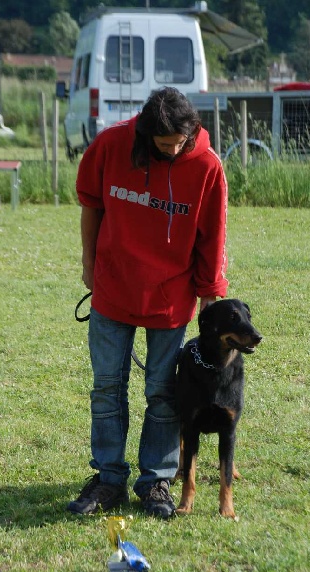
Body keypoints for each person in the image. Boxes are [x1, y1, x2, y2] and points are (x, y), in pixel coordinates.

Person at [67, 87, 228, 519]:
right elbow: (91, 204)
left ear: (192, 130)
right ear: (144, 135)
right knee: (106, 388)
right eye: (163, 146)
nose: (174, 150)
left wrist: (212, 294)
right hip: (114, 286)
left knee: (161, 392)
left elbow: (212, 236)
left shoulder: (208, 167)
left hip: (170, 296)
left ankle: (155, 480)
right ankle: (107, 479)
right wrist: (88, 262)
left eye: (180, 142)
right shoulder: (110, 146)